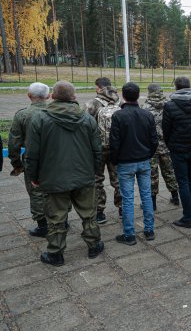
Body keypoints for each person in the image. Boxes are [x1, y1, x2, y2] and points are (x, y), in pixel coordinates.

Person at [26, 81, 104, 266]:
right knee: (88, 214)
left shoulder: (39, 119)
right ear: (74, 97)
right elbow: (97, 150)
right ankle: (94, 245)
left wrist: (34, 177)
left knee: (56, 217)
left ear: (52, 96)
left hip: (53, 178)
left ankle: (55, 253)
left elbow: (31, 154)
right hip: (84, 176)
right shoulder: (87, 119)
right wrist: (94, 171)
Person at [110, 83, 158, 244]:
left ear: (123, 96)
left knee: (128, 198)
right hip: (143, 160)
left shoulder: (118, 116)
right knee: (146, 196)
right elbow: (154, 141)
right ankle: (149, 230)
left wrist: (115, 160)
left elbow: (114, 143)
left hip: (126, 162)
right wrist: (148, 155)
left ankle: (129, 235)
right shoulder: (147, 115)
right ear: (138, 96)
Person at [8, 83, 51, 237]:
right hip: (56, 158)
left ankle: (43, 226)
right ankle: (61, 221)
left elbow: (14, 143)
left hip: (33, 160)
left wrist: (17, 163)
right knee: (58, 190)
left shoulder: (22, 115)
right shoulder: (55, 112)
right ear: (48, 96)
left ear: (28, 95)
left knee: (36, 192)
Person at [163, 77, 191, 228]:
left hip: (178, 149)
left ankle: (188, 217)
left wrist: (171, 145)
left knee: (183, 183)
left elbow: (165, 130)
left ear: (176, 87)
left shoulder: (169, 105)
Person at [84, 77, 122, 224]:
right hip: (116, 148)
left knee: (97, 180)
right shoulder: (120, 102)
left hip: (97, 149)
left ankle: (100, 212)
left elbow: (84, 125)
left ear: (98, 88)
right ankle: (122, 208)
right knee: (118, 179)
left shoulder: (91, 104)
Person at [141, 84, 179, 208]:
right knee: (170, 171)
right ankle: (175, 197)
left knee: (152, 174)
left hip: (151, 148)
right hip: (167, 145)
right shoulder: (169, 105)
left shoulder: (145, 108)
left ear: (149, 92)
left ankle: (153, 203)